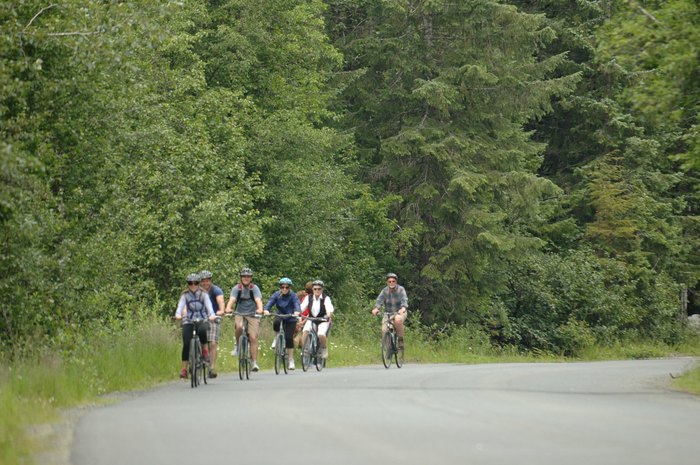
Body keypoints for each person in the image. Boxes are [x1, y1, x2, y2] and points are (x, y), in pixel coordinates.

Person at [175, 273, 217, 379]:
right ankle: (184, 369)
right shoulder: (185, 295)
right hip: (189, 320)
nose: (193, 285)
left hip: (202, 319)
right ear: (188, 284)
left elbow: (209, 307)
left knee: (202, 330)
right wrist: (178, 314)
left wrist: (212, 315)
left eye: (196, 283)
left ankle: (204, 350)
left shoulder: (204, 294)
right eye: (190, 283)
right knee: (186, 342)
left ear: (199, 284)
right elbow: (180, 306)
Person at [224, 267, 264, 371]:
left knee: (253, 337)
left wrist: (260, 309)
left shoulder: (254, 288)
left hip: (252, 314)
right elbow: (232, 300)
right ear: (241, 278)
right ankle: (237, 346)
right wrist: (228, 308)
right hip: (239, 313)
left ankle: (254, 362)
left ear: (251, 278)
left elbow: (258, 300)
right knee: (239, 327)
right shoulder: (237, 288)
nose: (246, 278)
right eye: (244, 276)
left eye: (248, 276)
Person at [264, 277, 301, 370]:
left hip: (290, 318)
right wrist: (266, 310)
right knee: (276, 322)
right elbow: (270, 302)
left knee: (289, 338)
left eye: (287, 287)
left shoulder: (293, 296)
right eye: (282, 287)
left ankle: (291, 360)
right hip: (280, 315)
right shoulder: (277, 294)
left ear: (290, 288)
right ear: (280, 287)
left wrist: (297, 311)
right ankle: (276, 337)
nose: (284, 289)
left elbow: (297, 304)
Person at [371, 273, 408, 351]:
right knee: (384, 330)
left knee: (397, 320)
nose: (391, 283)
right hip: (388, 314)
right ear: (387, 282)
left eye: (393, 281)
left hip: (399, 312)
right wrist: (376, 308)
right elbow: (379, 300)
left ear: (396, 282)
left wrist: (403, 308)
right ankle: (388, 350)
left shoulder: (401, 289)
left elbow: (404, 300)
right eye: (389, 281)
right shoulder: (384, 291)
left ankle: (400, 341)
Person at [199, 270, 225, 378]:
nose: (205, 283)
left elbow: (221, 302)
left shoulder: (216, 290)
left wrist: (220, 311)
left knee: (213, 343)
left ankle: (212, 368)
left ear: (210, 281)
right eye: (203, 281)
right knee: (197, 338)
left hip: (212, 318)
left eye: (207, 281)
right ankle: (196, 361)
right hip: (199, 317)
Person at [300, 280, 334, 359]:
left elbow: (329, 308)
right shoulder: (309, 298)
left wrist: (328, 314)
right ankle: (304, 349)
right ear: (312, 289)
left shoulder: (326, 298)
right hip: (311, 319)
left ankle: (324, 348)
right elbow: (301, 307)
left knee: (321, 334)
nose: (317, 291)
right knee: (306, 330)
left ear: (322, 289)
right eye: (315, 289)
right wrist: (297, 312)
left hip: (323, 320)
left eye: (319, 289)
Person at [294, 281, 313, 348]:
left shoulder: (301, 295)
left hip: (302, 317)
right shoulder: (309, 298)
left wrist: (300, 321)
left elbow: (298, 309)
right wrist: (302, 321)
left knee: (298, 330)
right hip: (305, 318)